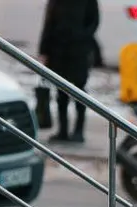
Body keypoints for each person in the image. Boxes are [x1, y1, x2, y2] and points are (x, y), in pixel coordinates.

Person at [38, 0, 100, 144]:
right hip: (58, 51)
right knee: (61, 92)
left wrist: (82, 38)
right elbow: (49, 23)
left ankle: (79, 131)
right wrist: (44, 50)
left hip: (79, 52)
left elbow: (93, 21)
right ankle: (63, 131)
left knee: (79, 91)